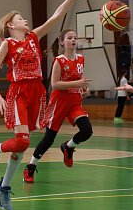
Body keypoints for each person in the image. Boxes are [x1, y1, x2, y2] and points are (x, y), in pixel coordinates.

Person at [0, 0, 91, 210]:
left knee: (21, 147)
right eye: (21, 18)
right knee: (22, 142)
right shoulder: (7, 44)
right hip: (19, 92)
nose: (25, 19)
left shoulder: (33, 37)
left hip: (37, 93)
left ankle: (4, 186)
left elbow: (57, 16)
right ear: (11, 25)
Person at [23, 30, 93, 183]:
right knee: (48, 139)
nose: (73, 40)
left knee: (87, 130)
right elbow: (55, 85)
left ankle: (68, 147)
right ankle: (30, 167)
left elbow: (79, 78)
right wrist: (77, 83)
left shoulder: (81, 59)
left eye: (75, 37)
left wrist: (84, 87)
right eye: (69, 38)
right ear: (62, 42)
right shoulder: (59, 61)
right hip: (59, 102)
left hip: (74, 101)